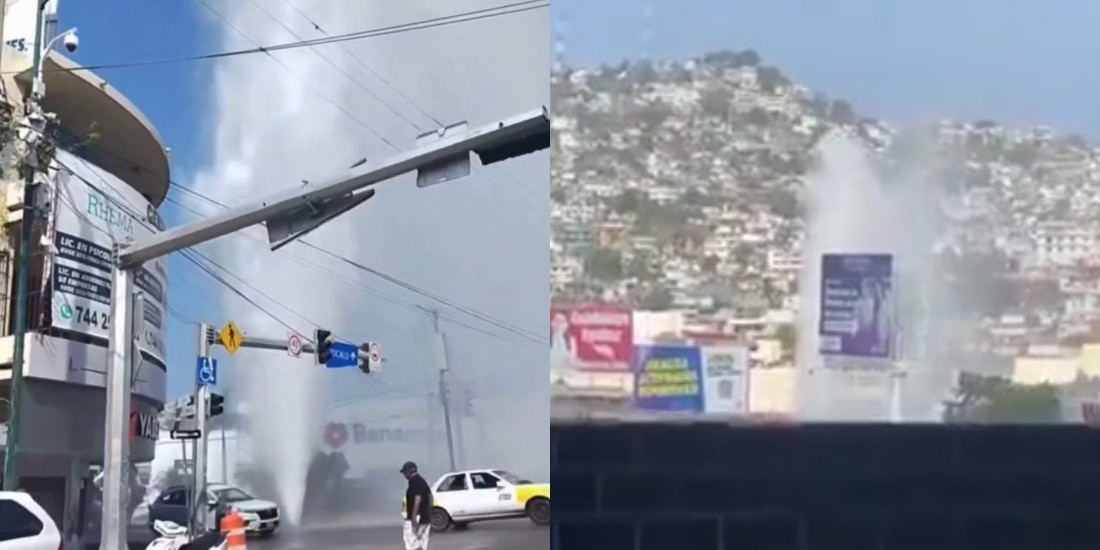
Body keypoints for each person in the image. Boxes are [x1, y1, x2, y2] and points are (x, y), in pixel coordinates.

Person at [401, 461, 432, 550]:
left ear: (410, 471)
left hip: (417, 517)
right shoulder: (421, 482)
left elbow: (417, 500)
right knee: (421, 542)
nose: (404, 475)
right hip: (425, 517)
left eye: (405, 472)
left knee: (412, 542)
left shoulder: (415, 482)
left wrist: (414, 518)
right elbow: (430, 498)